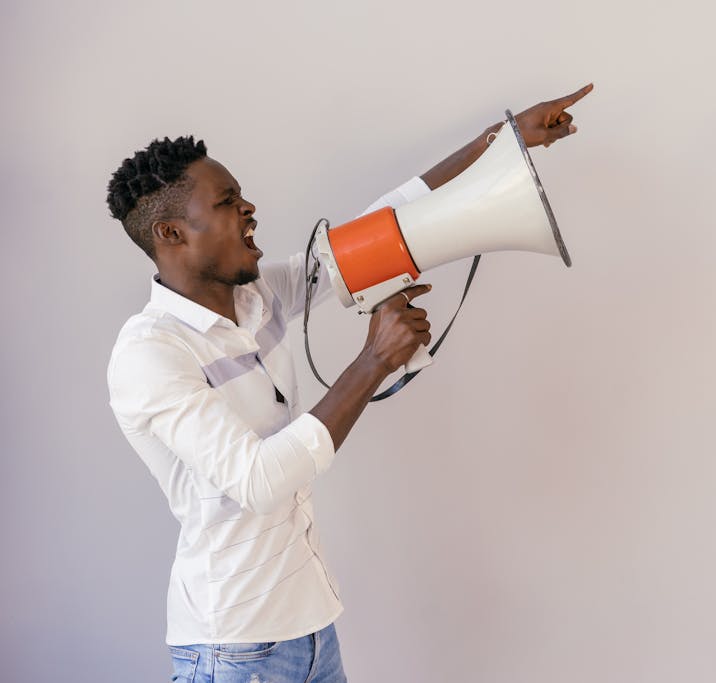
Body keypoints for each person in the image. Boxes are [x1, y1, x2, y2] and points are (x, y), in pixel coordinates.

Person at [105, 83, 592, 683]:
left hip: (311, 628)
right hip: (233, 651)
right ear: (171, 234)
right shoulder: (150, 353)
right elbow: (259, 482)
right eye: (229, 201)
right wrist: (373, 363)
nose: (250, 208)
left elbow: (378, 230)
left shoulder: (260, 298)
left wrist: (502, 144)